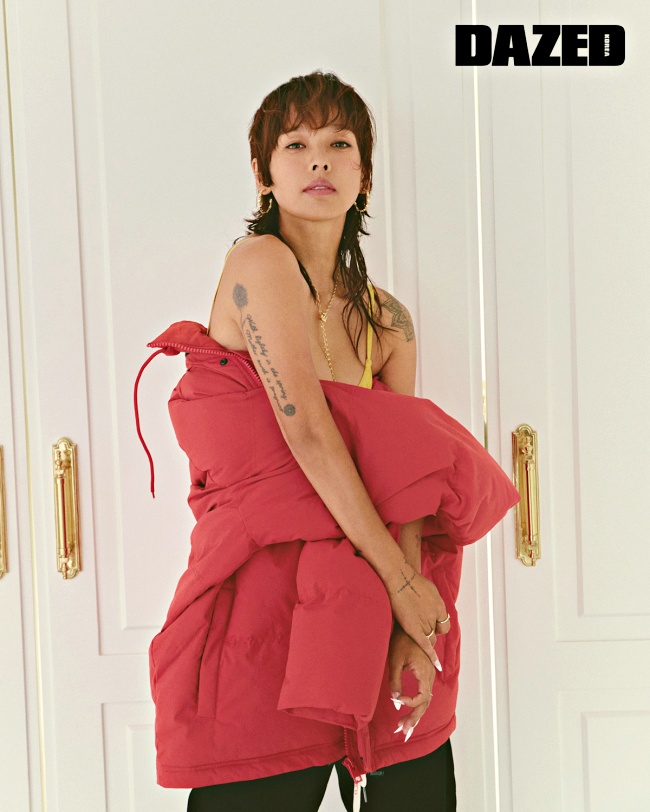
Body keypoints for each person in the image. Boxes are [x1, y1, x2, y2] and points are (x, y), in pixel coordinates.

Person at [134, 70, 520, 812]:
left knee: (414, 786)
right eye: (296, 143)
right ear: (264, 174)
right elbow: (307, 433)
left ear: (364, 176)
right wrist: (401, 584)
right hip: (264, 600)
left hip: (371, 591)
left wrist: (410, 617)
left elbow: (407, 478)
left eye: (340, 144)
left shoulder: (386, 320)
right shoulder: (258, 264)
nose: (319, 159)